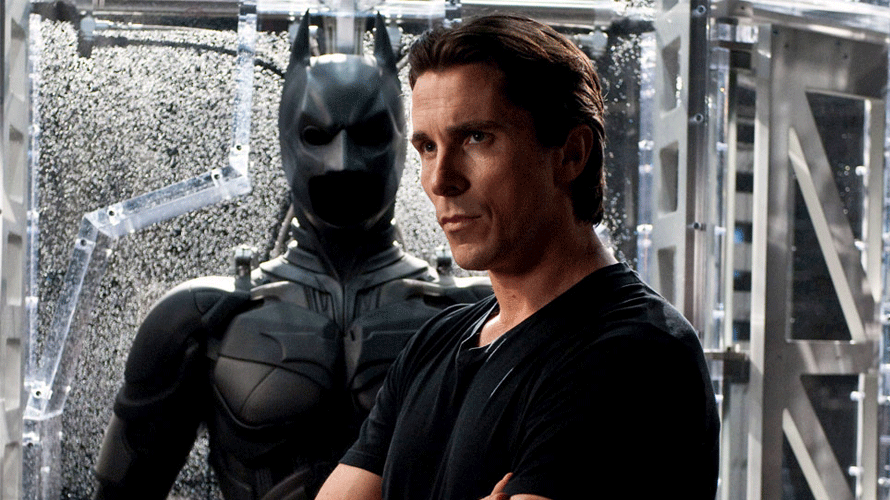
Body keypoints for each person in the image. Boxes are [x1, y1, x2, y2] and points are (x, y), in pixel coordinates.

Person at [315, 14, 720, 500]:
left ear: (570, 155)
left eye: (476, 138)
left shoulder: (635, 354)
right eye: (427, 147)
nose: (441, 180)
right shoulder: (435, 342)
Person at [92, 13, 490, 500]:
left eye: (368, 135)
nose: (342, 162)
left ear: (406, 146)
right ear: (287, 141)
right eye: (318, 136)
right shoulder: (198, 320)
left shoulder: (478, 316)